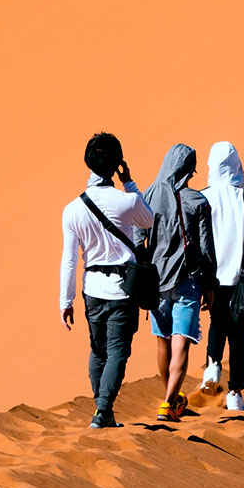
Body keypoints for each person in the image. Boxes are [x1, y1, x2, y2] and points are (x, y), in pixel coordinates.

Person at [60, 131, 153, 429]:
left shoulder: (72, 209)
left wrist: (66, 300)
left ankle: (103, 410)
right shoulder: (125, 201)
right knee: (118, 351)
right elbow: (148, 220)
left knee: (98, 350)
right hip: (122, 289)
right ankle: (103, 411)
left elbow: (70, 259)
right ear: (117, 164)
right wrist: (129, 182)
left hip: (92, 290)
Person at [144, 144, 216, 421]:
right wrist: (210, 285)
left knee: (162, 343)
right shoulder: (198, 201)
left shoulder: (148, 195)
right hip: (188, 281)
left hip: (156, 282)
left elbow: (140, 240)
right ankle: (168, 403)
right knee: (181, 342)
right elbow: (206, 249)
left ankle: (172, 398)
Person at [199, 141, 244, 412]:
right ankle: (234, 394)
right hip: (240, 276)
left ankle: (212, 367)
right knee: (238, 335)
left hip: (211, 276)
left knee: (216, 323)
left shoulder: (202, 196)